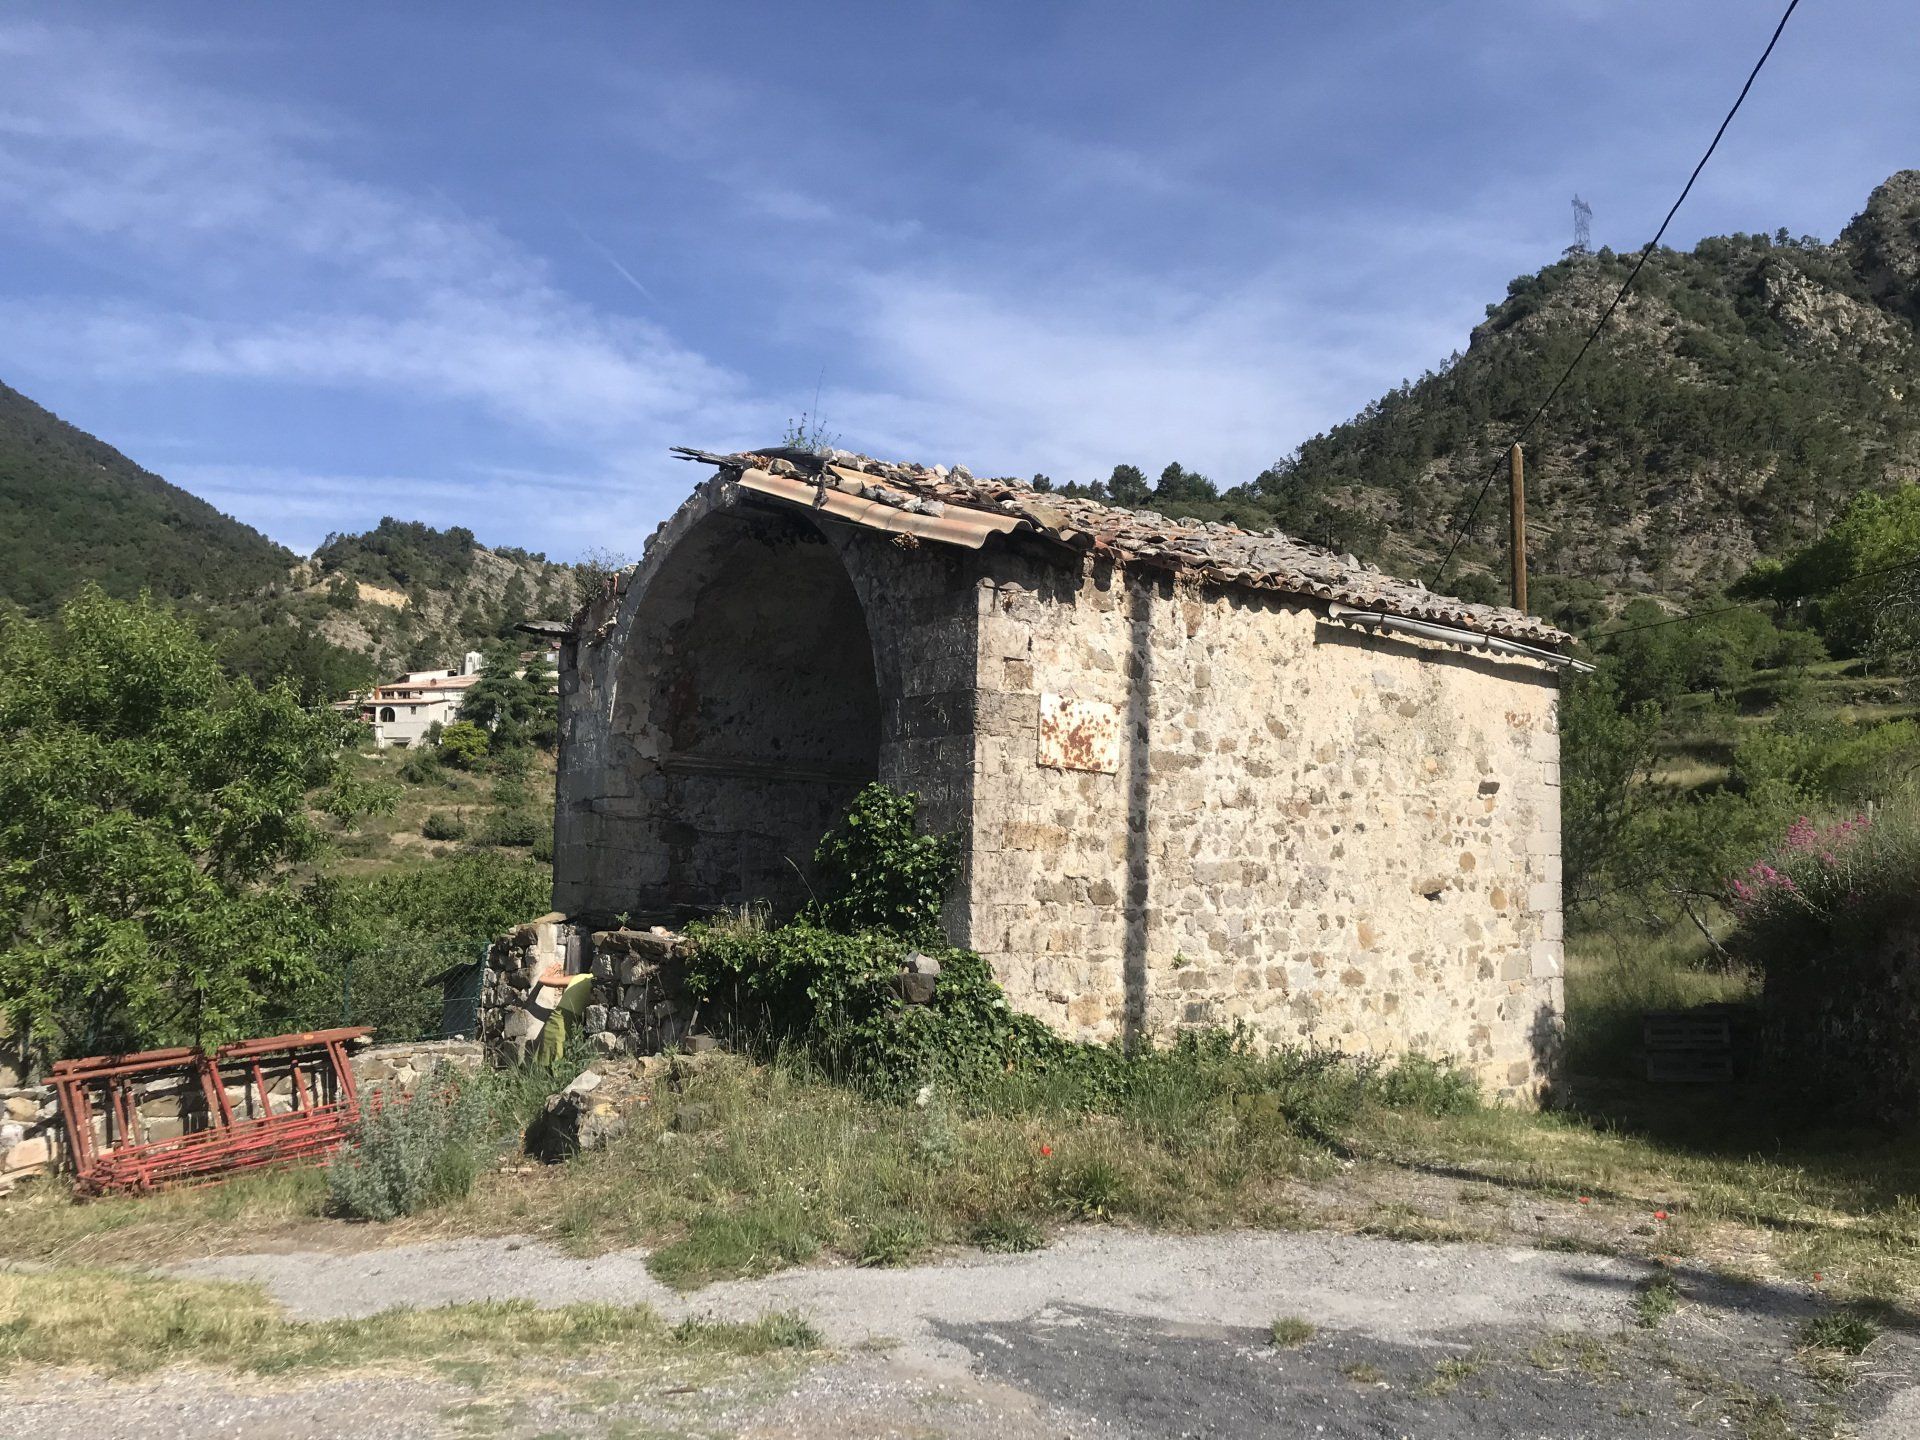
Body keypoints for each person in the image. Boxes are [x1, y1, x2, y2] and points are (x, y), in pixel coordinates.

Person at [529, 959, 592, 1068]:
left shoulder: (580, 978)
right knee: (557, 1066)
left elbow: (543, 980)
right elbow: (543, 980)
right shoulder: (587, 980)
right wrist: (545, 976)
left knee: (548, 1067)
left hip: (556, 1024)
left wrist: (546, 975)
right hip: (560, 1026)